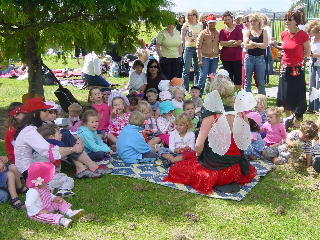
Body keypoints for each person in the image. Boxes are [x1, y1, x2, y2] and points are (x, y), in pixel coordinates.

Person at [163, 72, 257, 195]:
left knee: (176, 170)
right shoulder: (242, 114)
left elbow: (198, 146)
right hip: (236, 166)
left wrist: (200, 157)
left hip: (215, 166)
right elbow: (245, 139)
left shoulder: (211, 116)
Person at [14, 97, 109, 180]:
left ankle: (82, 167)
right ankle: (86, 166)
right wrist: (74, 148)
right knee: (65, 136)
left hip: (39, 161)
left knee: (64, 133)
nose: (47, 112)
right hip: (31, 170)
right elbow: (48, 151)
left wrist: (73, 138)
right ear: (34, 114)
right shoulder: (29, 131)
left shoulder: (36, 126)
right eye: (44, 110)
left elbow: (57, 133)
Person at [276, 10, 311, 127]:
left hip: (297, 70)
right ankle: (288, 119)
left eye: (289, 19)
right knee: (285, 95)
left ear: (296, 21)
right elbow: (285, 48)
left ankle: (297, 121)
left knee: (298, 95)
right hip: (285, 69)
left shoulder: (303, 35)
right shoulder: (284, 34)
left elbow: (307, 52)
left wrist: (298, 60)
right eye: (285, 19)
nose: (286, 22)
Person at [25, 162, 84, 228]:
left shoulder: (44, 186)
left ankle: (70, 212)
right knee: (45, 217)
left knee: (60, 202)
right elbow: (29, 204)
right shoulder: (33, 191)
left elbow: (47, 194)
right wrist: (39, 211)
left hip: (48, 205)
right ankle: (62, 220)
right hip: (37, 212)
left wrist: (54, 198)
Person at [36, 124, 75, 197]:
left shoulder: (38, 147)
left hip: (37, 178)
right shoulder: (56, 145)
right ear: (51, 137)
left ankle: (47, 189)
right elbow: (62, 154)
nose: (61, 135)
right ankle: (65, 190)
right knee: (67, 179)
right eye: (59, 134)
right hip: (49, 176)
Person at [243, 13, 268, 95]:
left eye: (255, 21)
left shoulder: (264, 32)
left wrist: (253, 43)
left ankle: (262, 101)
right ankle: (247, 101)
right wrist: (258, 45)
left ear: (259, 21)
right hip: (249, 58)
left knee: (261, 81)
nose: (253, 22)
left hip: (260, 58)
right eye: (251, 21)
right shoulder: (247, 32)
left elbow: (265, 45)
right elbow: (246, 45)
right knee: (248, 80)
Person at [219, 11, 243, 90]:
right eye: (225, 20)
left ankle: (238, 93)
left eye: (228, 19)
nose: (227, 21)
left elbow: (239, 42)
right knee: (228, 77)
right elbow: (222, 43)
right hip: (226, 58)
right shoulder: (222, 31)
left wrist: (227, 44)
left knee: (237, 76)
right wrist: (231, 42)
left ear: (232, 19)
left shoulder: (238, 29)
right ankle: (229, 93)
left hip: (236, 57)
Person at [196, 14, 219, 95]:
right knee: (203, 76)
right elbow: (198, 47)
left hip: (215, 58)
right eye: (210, 22)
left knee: (212, 77)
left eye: (213, 22)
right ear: (207, 23)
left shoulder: (218, 33)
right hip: (204, 58)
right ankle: (199, 95)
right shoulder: (203, 33)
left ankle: (210, 95)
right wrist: (199, 59)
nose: (212, 24)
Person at [181, 8, 202, 90]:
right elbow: (182, 38)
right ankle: (185, 89)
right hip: (188, 48)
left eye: (193, 14)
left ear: (196, 15)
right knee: (186, 70)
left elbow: (201, 37)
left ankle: (196, 89)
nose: (192, 16)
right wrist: (182, 48)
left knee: (197, 70)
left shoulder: (200, 24)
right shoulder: (185, 25)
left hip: (198, 48)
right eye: (190, 15)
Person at [306, 23, 320, 112]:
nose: (311, 34)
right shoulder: (311, 39)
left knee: (318, 86)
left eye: (313, 32)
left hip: (319, 64)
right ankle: (311, 107)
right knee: (311, 86)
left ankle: (317, 107)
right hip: (312, 64)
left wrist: (315, 55)